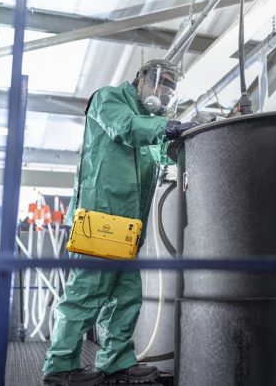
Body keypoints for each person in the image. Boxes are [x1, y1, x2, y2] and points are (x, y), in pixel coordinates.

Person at [42, 59, 197, 386]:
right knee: (86, 293)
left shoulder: (150, 123)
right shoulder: (109, 99)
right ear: (141, 79)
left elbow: (162, 154)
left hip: (129, 225)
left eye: (170, 87)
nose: (164, 91)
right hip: (101, 215)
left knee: (126, 297)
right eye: (161, 82)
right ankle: (59, 367)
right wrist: (166, 127)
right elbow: (124, 127)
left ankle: (116, 362)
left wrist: (194, 138)